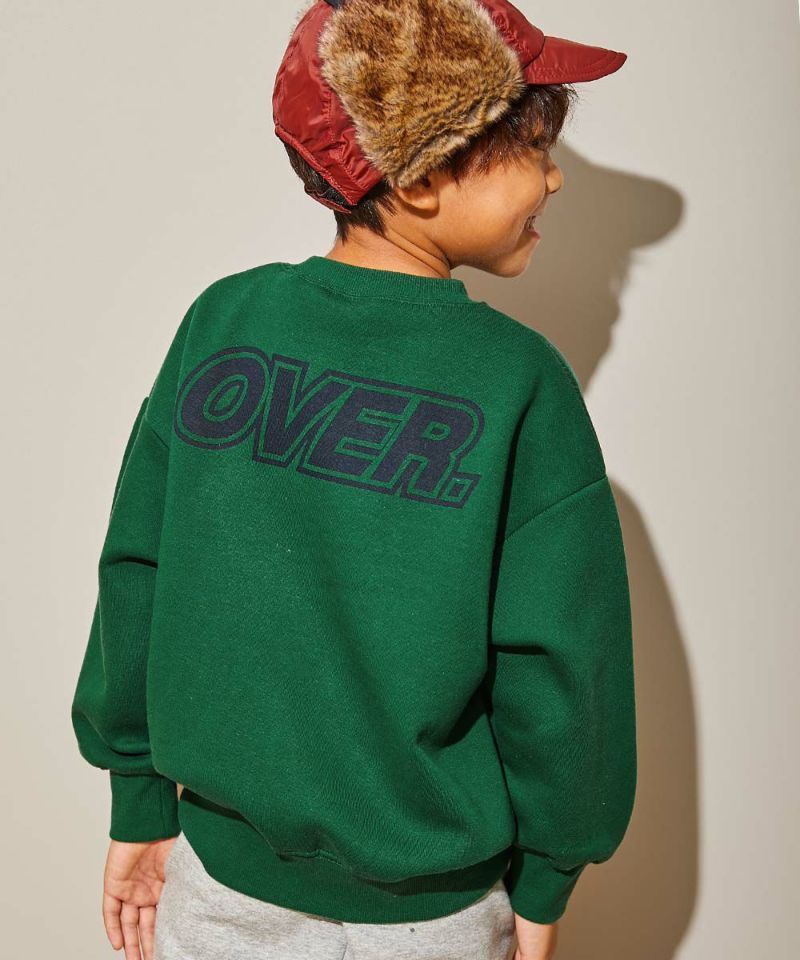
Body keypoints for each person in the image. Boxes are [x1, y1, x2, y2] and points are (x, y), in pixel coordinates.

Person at [69, 1, 637, 958]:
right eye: (533, 147)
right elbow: (563, 664)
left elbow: (138, 571)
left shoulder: (224, 324)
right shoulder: (520, 380)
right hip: (432, 917)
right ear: (422, 177)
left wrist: (137, 798)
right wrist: (548, 879)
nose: (555, 175)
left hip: (218, 893)